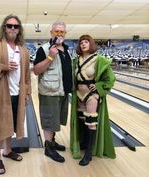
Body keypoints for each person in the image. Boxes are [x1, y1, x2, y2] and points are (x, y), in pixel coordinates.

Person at [0, 14, 31, 175]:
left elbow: (26, 75)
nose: (12, 28)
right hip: (1, 92)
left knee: (10, 125)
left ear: (19, 30)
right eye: (9, 25)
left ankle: (8, 150)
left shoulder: (23, 50)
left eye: (15, 26)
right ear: (4, 27)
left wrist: (27, 92)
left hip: (18, 93)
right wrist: (3, 66)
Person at [70, 34, 116, 166]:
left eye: (86, 42)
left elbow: (110, 79)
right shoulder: (76, 60)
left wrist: (98, 87)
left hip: (91, 95)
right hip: (79, 94)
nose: (83, 44)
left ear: (91, 44)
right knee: (82, 120)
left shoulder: (99, 59)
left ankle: (88, 153)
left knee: (91, 122)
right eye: (81, 42)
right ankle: (84, 144)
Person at [33, 21, 73, 163]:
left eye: (62, 32)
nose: (59, 34)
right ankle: (48, 148)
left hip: (63, 91)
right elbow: (36, 71)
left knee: (56, 119)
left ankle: (53, 141)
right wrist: (50, 56)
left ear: (65, 34)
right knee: (49, 120)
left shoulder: (67, 50)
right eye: (57, 31)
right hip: (49, 91)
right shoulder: (43, 49)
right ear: (51, 33)